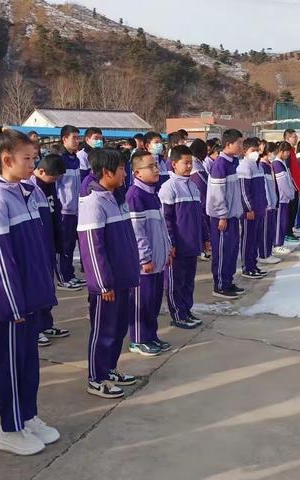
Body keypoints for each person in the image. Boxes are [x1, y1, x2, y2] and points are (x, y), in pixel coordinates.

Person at [0, 127, 59, 455]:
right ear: (6, 160)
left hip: (31, 299)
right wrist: (13, 306)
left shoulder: (29, 192)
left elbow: (38, 249)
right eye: (27, 158)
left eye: (34, 158)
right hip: (12, 306)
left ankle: (28, 415)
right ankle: (10, 428)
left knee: (28, 362)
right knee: (9, 364)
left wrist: (43, 295)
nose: (33, 164)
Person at [78, 148, 139, 399]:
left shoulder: (116, 197)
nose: (126, 174)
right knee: (103, 331)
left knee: (117, 329)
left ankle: (110, 368)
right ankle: (96, 377)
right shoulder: (94, 202)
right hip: (107, 284)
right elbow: (93, 247)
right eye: (122, 169)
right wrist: (103, 284)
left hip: (123, 278)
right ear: (107, 172)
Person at [127, 150, 172, 356]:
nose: (156, 169)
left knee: (153, 302)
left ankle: (151, 336)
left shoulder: (152, 194)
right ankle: (138, 339)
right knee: (141, 303)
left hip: (158, 259)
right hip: (145, 263)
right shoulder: (136, 196)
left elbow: (161, 227)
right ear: (137, 173)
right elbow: (138, 232)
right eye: (151, 167)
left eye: (156, 165)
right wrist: (144, 257)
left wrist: (167, 248)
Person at [159, 145, 209, 329]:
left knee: (188, 281)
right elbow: (167, 220)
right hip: (178, 247)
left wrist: (205, 237)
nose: (189, 167)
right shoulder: (168, 188)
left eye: (191, 163)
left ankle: (187, 310)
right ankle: (178, 314)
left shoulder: (193, 187)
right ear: (174, 164)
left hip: (192, 244)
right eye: (185, 163)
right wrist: (171, 242)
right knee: (175, 282)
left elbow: (200, 216)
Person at [27, 154, 72, 347]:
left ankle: (46, 324)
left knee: (47, 288)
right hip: (36, 247)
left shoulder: (49, 186)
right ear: (42, 171)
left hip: (49, 244)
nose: (55, 182)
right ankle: (34, 329)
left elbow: (55, 214)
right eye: (53, 178)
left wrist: (59, 243)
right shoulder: (29, 188)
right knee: (35, 290)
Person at [206, 129, 244, 299]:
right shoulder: (220, 164)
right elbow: (217, 193)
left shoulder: (233, 162)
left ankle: (228, 281)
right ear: (229, 144)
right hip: (222, 218)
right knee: (222, 251)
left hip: (233, 215)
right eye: (239, 143)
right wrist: (222, 215)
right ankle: (220, 285)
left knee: (231, 251)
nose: (241, 146)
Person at [56, 125, 85, 290]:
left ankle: (70, 274)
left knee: (72, 245)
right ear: (64, 139)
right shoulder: (59, 159)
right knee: (64, 245)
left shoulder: (76, 159)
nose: (77, 141)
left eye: (77, 137)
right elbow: (56, 185)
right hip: (64, 210)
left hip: (76, 209)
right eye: (73, 138)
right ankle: (62, 277)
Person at [237, 137, 268, 279]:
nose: (255, 153)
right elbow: (244, 191)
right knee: (248, 239)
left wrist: (265, 205)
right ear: (245, 151)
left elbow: (262, 189)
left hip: (260, 209)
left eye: (257, 150)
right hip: (250, 211)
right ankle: (246, 267)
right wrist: (248, 209)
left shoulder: (258, 166)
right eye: (252, 150)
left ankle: (253, 264)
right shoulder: (244, 167)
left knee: (255, 239)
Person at [258, 142, 282, 265]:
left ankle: (268, 252)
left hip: (272, 203)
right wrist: (268, 204)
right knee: (266, 231)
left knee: (270, 230)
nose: (274, 155)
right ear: (268, 152)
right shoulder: (262, 166)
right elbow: (265, 188)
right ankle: (264, 254)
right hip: (267, 205)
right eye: (274, 152)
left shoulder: (269, 165)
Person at [272, 141, 295, 256]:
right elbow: (282, 184)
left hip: (285, 198)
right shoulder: (277, 164)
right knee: (280, 222)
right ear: (281, 151)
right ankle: (277, 244)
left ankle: (279, 243)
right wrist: (290, 194)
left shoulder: (283, 163)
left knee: (284, 221)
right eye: (287, 152)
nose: (288, 154)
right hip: (281, 199)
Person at [189, 139, 211, 261]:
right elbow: (202, 184)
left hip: (202, 199)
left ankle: (203, 247)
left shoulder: (198, 163)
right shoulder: (194, 165)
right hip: (200, 200)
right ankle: (201, 249)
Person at [283, 129, 300, 242]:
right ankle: (287, 232)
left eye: (296, 136)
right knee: (290, 211)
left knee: (294, 210)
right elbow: (289, 172)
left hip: (295, 187)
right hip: (291, 188)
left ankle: (290, 231)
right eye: (293, 136)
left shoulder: (292, 151)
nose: (296, 138)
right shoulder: (287, 153)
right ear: (287, 138)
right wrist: (296, 187)